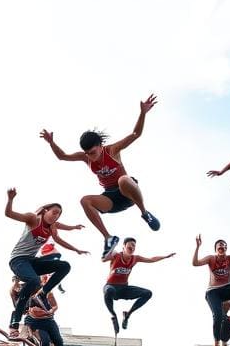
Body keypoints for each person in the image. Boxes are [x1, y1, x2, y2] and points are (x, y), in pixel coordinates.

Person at [40, 95, 160, 258]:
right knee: (85, 200)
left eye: (93, 152)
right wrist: (51, 143)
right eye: (87, 153)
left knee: (123, 179)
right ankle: (108, 238)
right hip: (110, 197)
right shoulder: (85, 157)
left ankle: (145, 213)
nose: (91, 156)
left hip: (128, 192)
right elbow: (62, 156)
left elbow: (135, 133)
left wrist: (143, 113)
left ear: (100, 146)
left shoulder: (112, 150)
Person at [4, 189, 87, 340]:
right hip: (18, 260)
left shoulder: (53, 226)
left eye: (59, 215)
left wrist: (76, 247)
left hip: (32, 261)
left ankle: (42, 293)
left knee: (64, 266)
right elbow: (9, 214)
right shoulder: (33, 219)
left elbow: (60, 237)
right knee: (34, 281)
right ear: (46, 210)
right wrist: (10, 199)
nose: (56, 217)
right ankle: (14, 325)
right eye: (54, 212)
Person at [102, 237, 174, 334]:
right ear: (123, 246)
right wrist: (109, 251)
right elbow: (103, 259)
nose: (133, 247)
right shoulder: (116, 255)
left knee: (148, 293)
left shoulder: (135, 258)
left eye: (134, 246)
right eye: (130, 245)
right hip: (111, 286)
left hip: (124, 289)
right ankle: (114, 316)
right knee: (109, 291)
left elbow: (151, 259)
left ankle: (127, 315)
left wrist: (165, 257)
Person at [23, 276, 77, 346]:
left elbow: (55, 306)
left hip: (49, 320)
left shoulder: (48, 293)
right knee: (45, 341)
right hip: (37, 322)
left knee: (58, 340)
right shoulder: (30, 295)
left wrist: (50, 311)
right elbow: (26, 310)